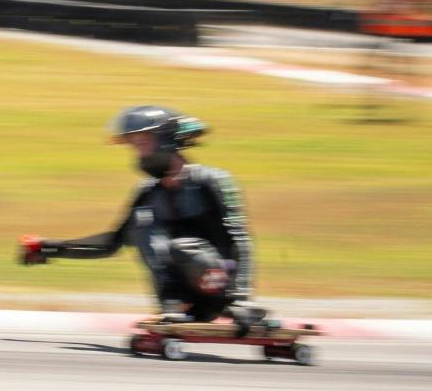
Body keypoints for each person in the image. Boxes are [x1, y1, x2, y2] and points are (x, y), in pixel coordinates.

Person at [20, 105, 269, 327]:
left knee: (182, 246)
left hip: (222, 286)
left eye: (143, 143)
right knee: (143, 222)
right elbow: (113, 243)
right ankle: (173, 303)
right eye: (134, 146)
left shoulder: (212, 181)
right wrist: (52, 248)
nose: (139, 154)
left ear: (166, 140)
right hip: (182, 294)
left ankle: (220, 302)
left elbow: (239, 239)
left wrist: (241, 298)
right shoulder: (148, 193)